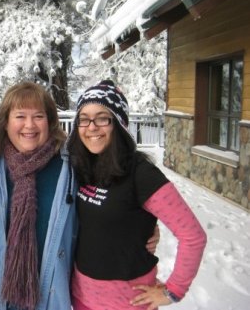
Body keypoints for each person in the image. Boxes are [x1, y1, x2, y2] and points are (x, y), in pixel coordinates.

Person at [67, 81, 207, 310]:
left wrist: (174, 291)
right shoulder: (81, 167)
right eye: (84, 118)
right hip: (81, 298)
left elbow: (193, 236)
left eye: (102, 118)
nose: (91, 126)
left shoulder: (140, 173)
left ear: (119, 124)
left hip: (127, 302)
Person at [0, 81, 77, 310]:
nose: (29, 125)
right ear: (6, 122)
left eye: (38, 116)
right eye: (20, 116)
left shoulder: (70, 165)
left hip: (50, 296)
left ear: (50, 121)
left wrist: (145, 224)